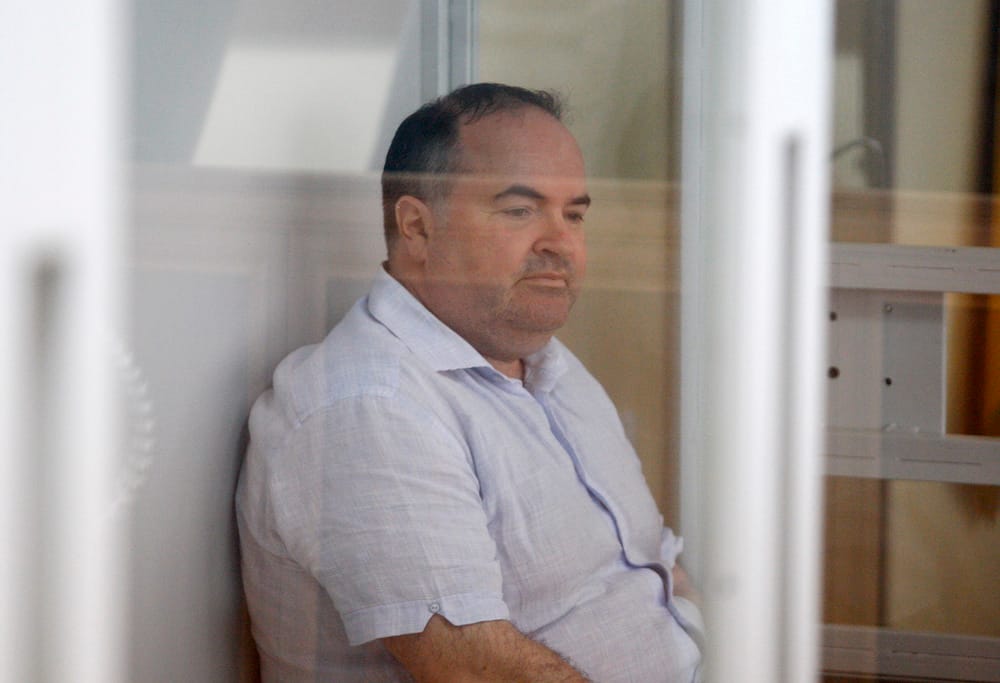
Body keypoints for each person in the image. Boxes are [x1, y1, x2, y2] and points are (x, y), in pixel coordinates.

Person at [236, 83, 704, 682]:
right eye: (520, 210)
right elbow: (477, 670)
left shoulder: (550, 364)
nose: (561, 243)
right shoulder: (370, 405)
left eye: (574, 214)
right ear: (417, 228)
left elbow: (660, 569)